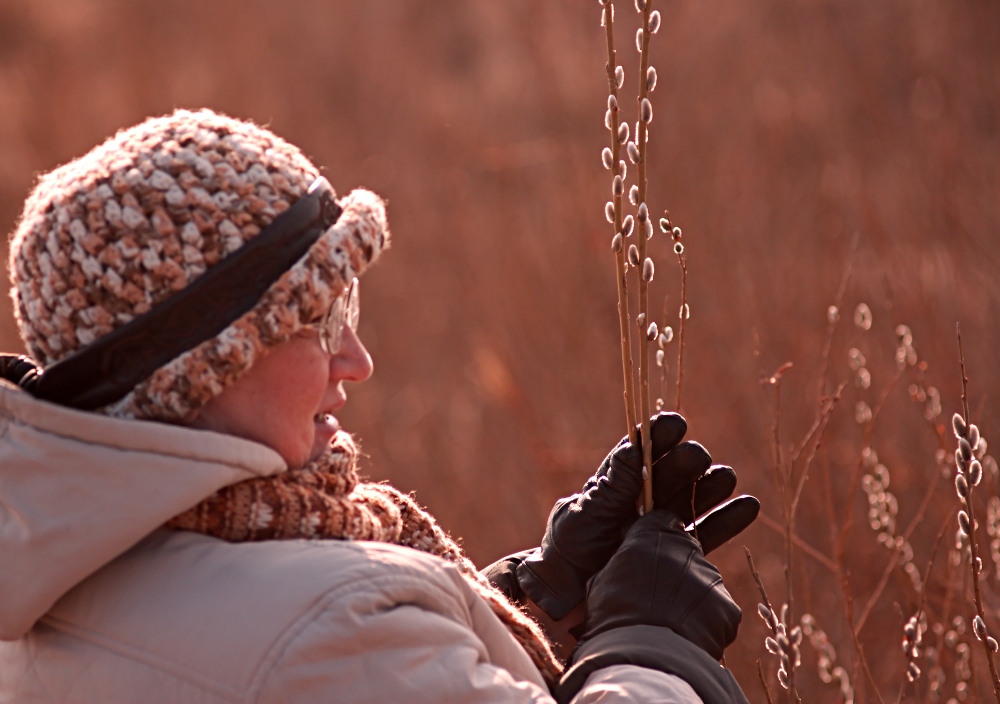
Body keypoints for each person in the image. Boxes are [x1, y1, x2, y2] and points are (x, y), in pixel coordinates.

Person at [0, 109, 758, 703]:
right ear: (200, 369)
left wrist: (541, 600)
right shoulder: (323, 632)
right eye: (317, 319)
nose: (355, 361)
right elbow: (304, 656)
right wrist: (657, 651)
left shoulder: (51, 571)